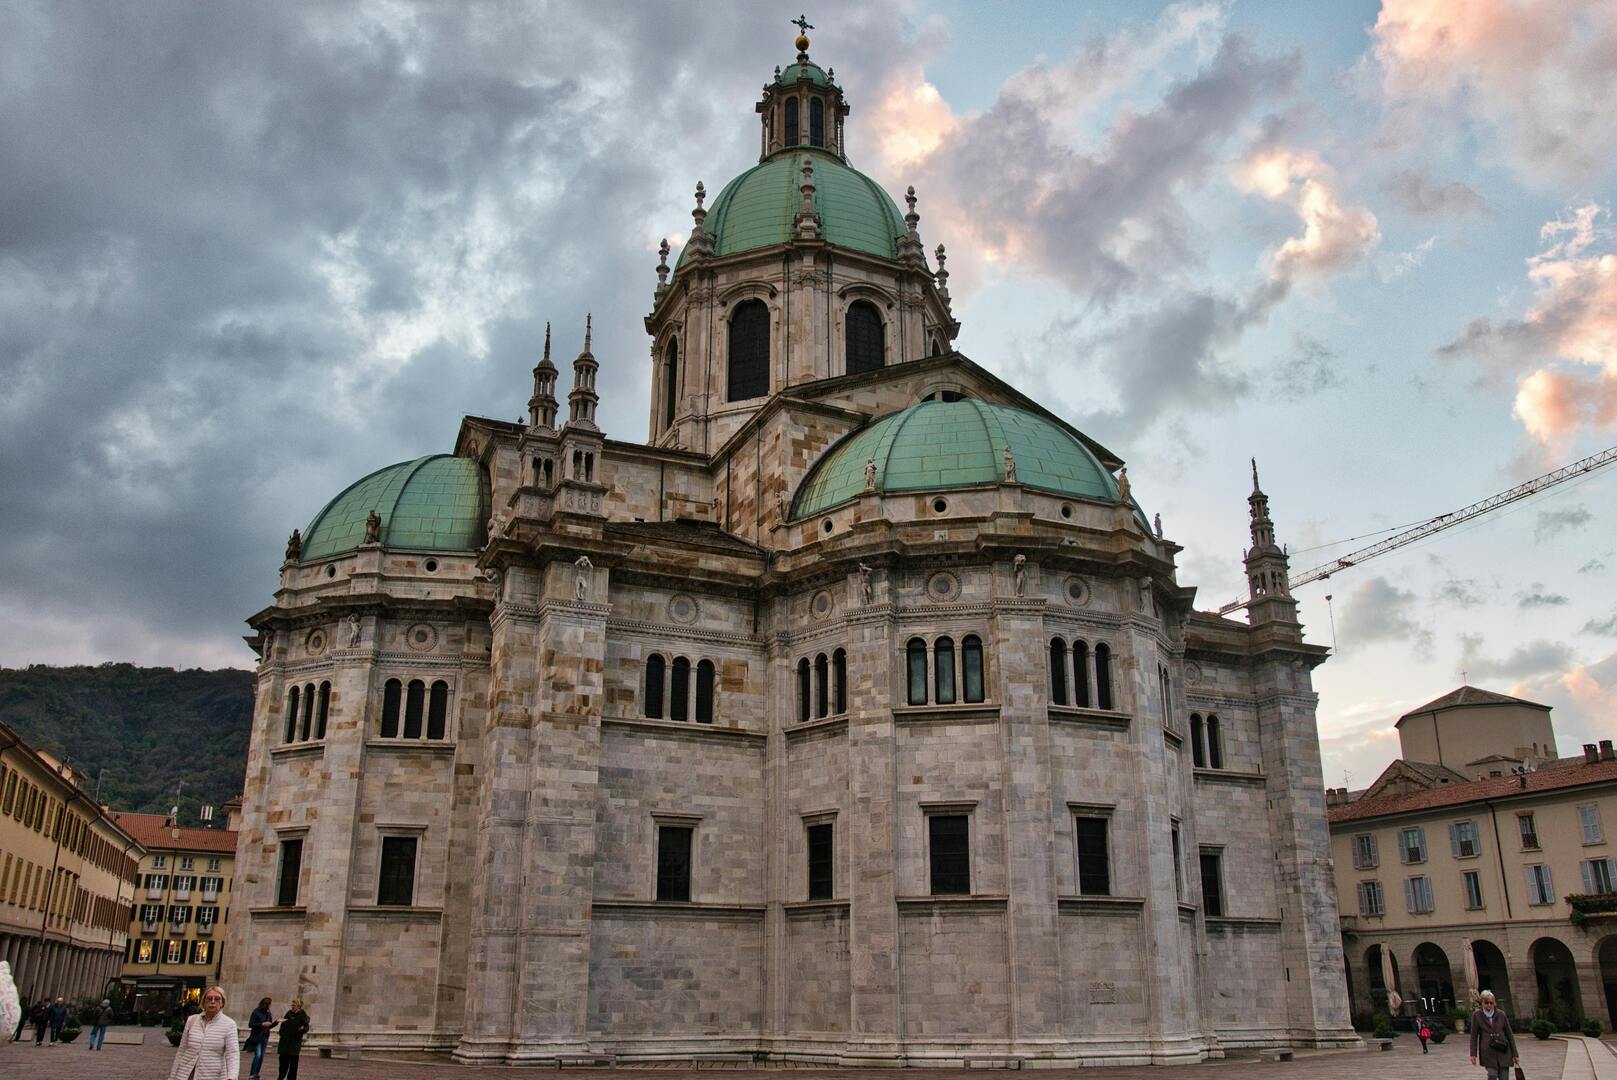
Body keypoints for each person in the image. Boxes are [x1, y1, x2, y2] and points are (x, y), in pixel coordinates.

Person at [167, 985, 239, 1080]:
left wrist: (232, 1077)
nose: (212, 1001)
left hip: (212, 1075)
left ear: (222, 1003)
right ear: (204, 1002)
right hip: (185, 1074)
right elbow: (182, 1050)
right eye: (209, 998)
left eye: (217, 999)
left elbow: (232, 1053)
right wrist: (172, 1077)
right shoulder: (192, 1020)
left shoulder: (229, 1024)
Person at [1469, 990, 1519, 1080]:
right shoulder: (1477, 1015)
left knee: (1504, 1077)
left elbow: (1509, 1034)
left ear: (1494, 1003)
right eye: (1486, 1003)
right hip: (1488, 1051)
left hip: (1503, 1049)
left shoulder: (1501, 1014)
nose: (1489, 1005)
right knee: (1492, 1074)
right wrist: (1473, 1054)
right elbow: (1474, 1036)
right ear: (1482, 1003)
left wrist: (1515, 1054)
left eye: (1491, 1003)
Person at [276, 998, 310, 1080]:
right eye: (292, 1005)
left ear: (299, 1006)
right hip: (285, 1042)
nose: (292, 1007)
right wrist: (282, 1033)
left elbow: (306, 1027)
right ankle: (281, 1077)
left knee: (293, 1065)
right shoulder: (288, 1013)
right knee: (283, 1064)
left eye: (294, 1005)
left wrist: (301, 1030)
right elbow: (283, 1025)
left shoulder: (302, 1015)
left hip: (294, 1043)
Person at [244, 996, 277, 1079]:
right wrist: (261, 1024)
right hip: (257, 1037)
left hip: (265, 1037)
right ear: (266, 1004)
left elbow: (269, 1026)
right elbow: (251, 1024)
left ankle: (256, 1074)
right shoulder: (256, 1011)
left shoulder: (268, 1013)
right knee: (258, 1055)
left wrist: (276, 1022)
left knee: (261, 1056)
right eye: (270, 1004)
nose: (270, 1006)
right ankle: (252, 1074)